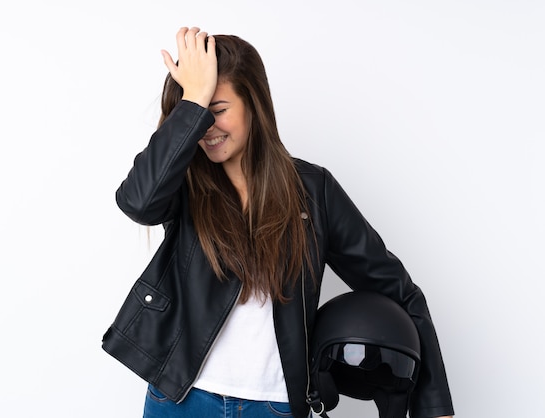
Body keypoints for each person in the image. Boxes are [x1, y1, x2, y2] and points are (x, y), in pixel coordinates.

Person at [102, 26, 455, 418]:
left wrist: (435, 408)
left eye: (217, 111)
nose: (208, 130)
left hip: (275, 406)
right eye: (199, 114)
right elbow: (136, 202)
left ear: (254, 103)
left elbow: (400, 292)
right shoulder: (181, 180)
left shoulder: (313, 191)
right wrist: (194, 99)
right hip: (181, 400)